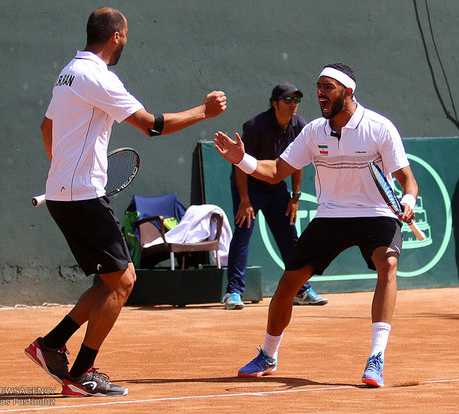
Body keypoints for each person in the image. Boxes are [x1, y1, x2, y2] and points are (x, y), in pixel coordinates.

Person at [24, 7, 226, 397]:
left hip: (66, 194)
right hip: (82, 196)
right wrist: (205, 111)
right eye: (126, 35)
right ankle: (80, 374)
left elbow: (47, 126)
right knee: (125, 281)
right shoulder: (99, 77)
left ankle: (50, 345)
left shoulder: (67, 72)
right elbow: (152, 125)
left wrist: (64, 169)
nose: (127, 41)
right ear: (115, 36)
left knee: (109, 280)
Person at [214, 63, 419, 387]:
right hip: (331, 215)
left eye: (328, 87)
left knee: (388, 264)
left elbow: (408, 181)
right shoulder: (313, 132)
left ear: (348, 92)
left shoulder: (380, 128)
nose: (320, 94)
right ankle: (268, 355)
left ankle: (376, 358)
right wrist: (242, 159)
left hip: (376, 213)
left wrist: (406, 203)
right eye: (319, 87)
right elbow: (275, 171)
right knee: (287, 286)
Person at [223, 82, 328, 310]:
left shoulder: (300, 126)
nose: (293, 105)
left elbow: (298, 162)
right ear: (275, 103)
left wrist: (295, 196)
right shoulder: (255, 127)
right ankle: (233, 292)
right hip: (249, 189)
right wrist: (244, 200)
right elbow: (239, 164)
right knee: (242, 236)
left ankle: (301, 290)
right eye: (288, 100)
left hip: (277, 189)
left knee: (290, 237)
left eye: (296, 100)